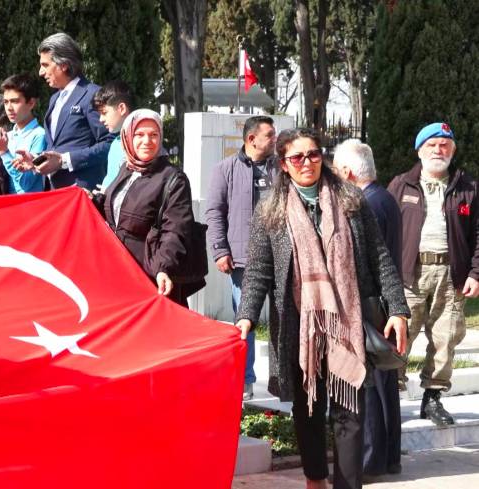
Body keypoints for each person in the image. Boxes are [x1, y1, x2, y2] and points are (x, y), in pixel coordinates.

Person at [235, 128, 409, 489]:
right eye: (297, 158)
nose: (307, 163)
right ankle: (315, 478)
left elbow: (380, 258)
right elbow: (258, 274)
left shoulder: (350, 201)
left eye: (313, 154)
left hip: (348, 321)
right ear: (283, 165)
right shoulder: (270, 212)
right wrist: (246, 317)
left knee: (350, 412)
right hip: (300, 326)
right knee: (308, 409)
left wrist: (398, 308)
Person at [387, 122, 479, 426]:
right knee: (401, 335)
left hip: (452, 274)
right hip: (409, 273)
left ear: (452, 150)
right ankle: (391, 394)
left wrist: (475, 274)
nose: (438, 150)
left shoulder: (468, 188)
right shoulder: (401, 185)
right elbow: (383, 230)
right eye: (432, 145)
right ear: (420, 149)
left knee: (446, 337)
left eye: (444, 145)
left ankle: (433, 397)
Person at [332, 139, 403, 477]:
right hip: (383, 303)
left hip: (370, 302)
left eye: (335, 170)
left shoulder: (365, 204)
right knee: (384, 381)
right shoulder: (384, 197)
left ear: (347, 171)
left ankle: (371, 459)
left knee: (370, 382)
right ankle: (388, 456)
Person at [205, 115, 278, 402]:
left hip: (282, 257)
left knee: (284, 318)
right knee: (244, 321)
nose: (275, 139)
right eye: (270, 135)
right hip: (244, 260)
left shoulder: (281, 169)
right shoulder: (225, 169)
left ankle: (283, 376)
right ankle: (245, 379)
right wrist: (220, 250)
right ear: (252, 139)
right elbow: (214, 212)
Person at [93, 109, 194, 304]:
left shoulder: (173, 178)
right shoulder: (126, 169)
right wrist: (89, 201)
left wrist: (163, 268)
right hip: (116, 273)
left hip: (149, 276)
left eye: (153, 135)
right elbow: (114, 210)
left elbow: (175, 230)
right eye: (139, 135)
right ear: (128, 137)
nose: (147, 141)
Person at [32, 32, 114, 189]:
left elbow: (110, 143)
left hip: (82, 194)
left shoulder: (92, 94)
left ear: (64, 65)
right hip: (55, 192)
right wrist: (36, 160)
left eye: (45, 65)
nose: (41, 72)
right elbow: (58, 147)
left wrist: (65, 160)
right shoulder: (54, 99)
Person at [0, 73, 45, 193]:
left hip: (30, 207)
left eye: (15, 101)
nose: (9, 107)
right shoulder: (7, 136)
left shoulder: (39, 135)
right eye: (6, 102)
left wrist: (4, 152)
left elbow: (26, 183)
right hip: (7, 207)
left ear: (31, 103)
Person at [92, 80, 133, 191]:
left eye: (104, 112)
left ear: (122, 109)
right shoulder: (116, 143)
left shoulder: (142, 145)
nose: (100, 119)